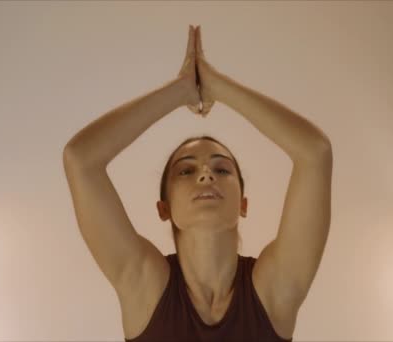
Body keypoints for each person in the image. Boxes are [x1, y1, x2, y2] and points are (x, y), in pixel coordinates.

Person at [63, 25, 333, 342]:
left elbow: (315, 153)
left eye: (222, 170)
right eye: (186, 171)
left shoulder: (272, 287)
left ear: (243, 204)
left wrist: (218, 88)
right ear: (164, 208)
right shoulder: (145, 284)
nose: (206, 175)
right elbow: (80, 159)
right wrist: (180, 91)